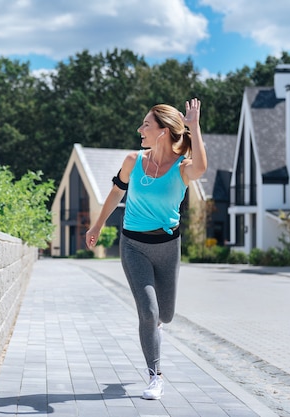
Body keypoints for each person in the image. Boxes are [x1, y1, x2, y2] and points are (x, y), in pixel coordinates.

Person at [85, 98, 206, 400]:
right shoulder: (133, 161)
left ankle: (155, 331)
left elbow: (202, 167)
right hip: (134, 245)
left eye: (146, 125)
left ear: (163, 131)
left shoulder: (182, 167)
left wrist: (194, 125)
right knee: (149, 313)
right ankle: (155, 376)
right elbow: (116, 192)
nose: (140, 129)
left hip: (167, 246)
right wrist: (97, 226)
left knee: (166, 313)